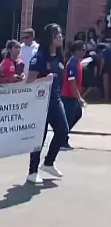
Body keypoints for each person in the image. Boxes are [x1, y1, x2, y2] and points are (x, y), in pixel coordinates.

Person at [27, 23, 69, 185]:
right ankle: (32, 172)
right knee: (39, 137)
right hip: (40, 103)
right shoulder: (39, 57)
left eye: (60, 33)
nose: (60, 36)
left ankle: (49, 163)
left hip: (55, 100)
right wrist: (45, 79)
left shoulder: (59, 56)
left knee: (63, 131)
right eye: (56, 33)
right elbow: (29, 82)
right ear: (49, 37)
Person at [61, 39, 86, 147]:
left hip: (72, 95)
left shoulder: (77, 62)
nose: (84, 52)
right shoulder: (72, 63)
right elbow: (72, 82)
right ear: (77, 50)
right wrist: (79, 97)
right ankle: (62, 139)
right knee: (68, 118)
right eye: (82, 50)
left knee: (77, 114)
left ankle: (62, 135)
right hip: (68, 96)